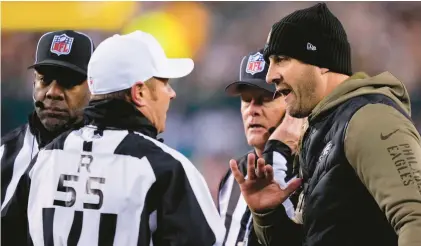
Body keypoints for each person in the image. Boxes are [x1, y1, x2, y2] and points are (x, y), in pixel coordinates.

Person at [230, 3, 421, 246]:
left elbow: (416, 219)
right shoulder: (319, 131)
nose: (270, 75)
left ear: (320, 62)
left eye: (281, 59)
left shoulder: (370, 118)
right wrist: (268, 215)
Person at [10, 31, 225, 246]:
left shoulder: (44, 159)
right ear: (139, 93)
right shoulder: (166, 169)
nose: (171, 93)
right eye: (164, 82)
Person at [1, 30, 94, 246]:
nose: (53, 92)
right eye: (44, 80)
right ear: (34, 83)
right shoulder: (4, 155)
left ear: (93, 87)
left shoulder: (116, 157)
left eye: (68, 82)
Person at [219, 49, 305, 246]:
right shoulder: (234, 177)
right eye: (246, 100)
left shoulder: (310, 172)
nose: (252, 110)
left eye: (265, 98)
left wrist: (277, 152)